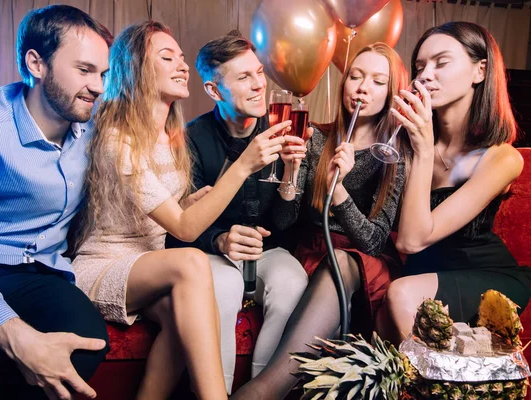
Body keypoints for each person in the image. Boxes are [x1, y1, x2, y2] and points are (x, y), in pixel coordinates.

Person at [72, 21, 288, 400]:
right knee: (192, 263)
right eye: (167, 57)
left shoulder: (171, 135)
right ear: (137, 68)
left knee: (181, 317)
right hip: (105, 263)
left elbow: (167, 214)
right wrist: (243, 166)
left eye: (182, 58)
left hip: (150, 262)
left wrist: (185, 204)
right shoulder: (115, 136)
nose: (183, 65)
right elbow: (185, 231)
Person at [0, 5, 112, 400]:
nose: (98, 86)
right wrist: (15, 336)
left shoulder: (93, 129)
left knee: (85, 340)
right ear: (36, 63)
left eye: (103, 74)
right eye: (84, 70)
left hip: (36, 270)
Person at [231, 42, 409, 399]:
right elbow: (284, 222)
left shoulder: (394, 156)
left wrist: (338, 191)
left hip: (360, 265)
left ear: (392, 92)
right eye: (355, 77)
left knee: (342, 261)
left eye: (377, 81)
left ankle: (266, 388)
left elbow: (373, 242)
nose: (361, 87)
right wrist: (292, 173)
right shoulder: (318, 138)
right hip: (310, 255)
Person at [165, 31, 310, 394]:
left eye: (259, 73)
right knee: (224, 285)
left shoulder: (283, 125)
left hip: (266, 250)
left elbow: (283, 224)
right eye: (244, 77)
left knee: (293, 280)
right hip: (212, 254)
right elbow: (177, 223)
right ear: (215, 91)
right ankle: (220, 391)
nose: (259, 84)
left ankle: (262, 390)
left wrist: (291, 173)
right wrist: (219, 239)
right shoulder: (190, 139)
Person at [378, 21, 531, 344]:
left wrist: (422, 149)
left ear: (480, 71)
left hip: (487, 278)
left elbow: (412, 241)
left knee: (401, 295)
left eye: (441, 62)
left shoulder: (502, 158)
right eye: (420, 66)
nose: (425, 75)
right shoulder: (404, 144)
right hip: (423, 275)